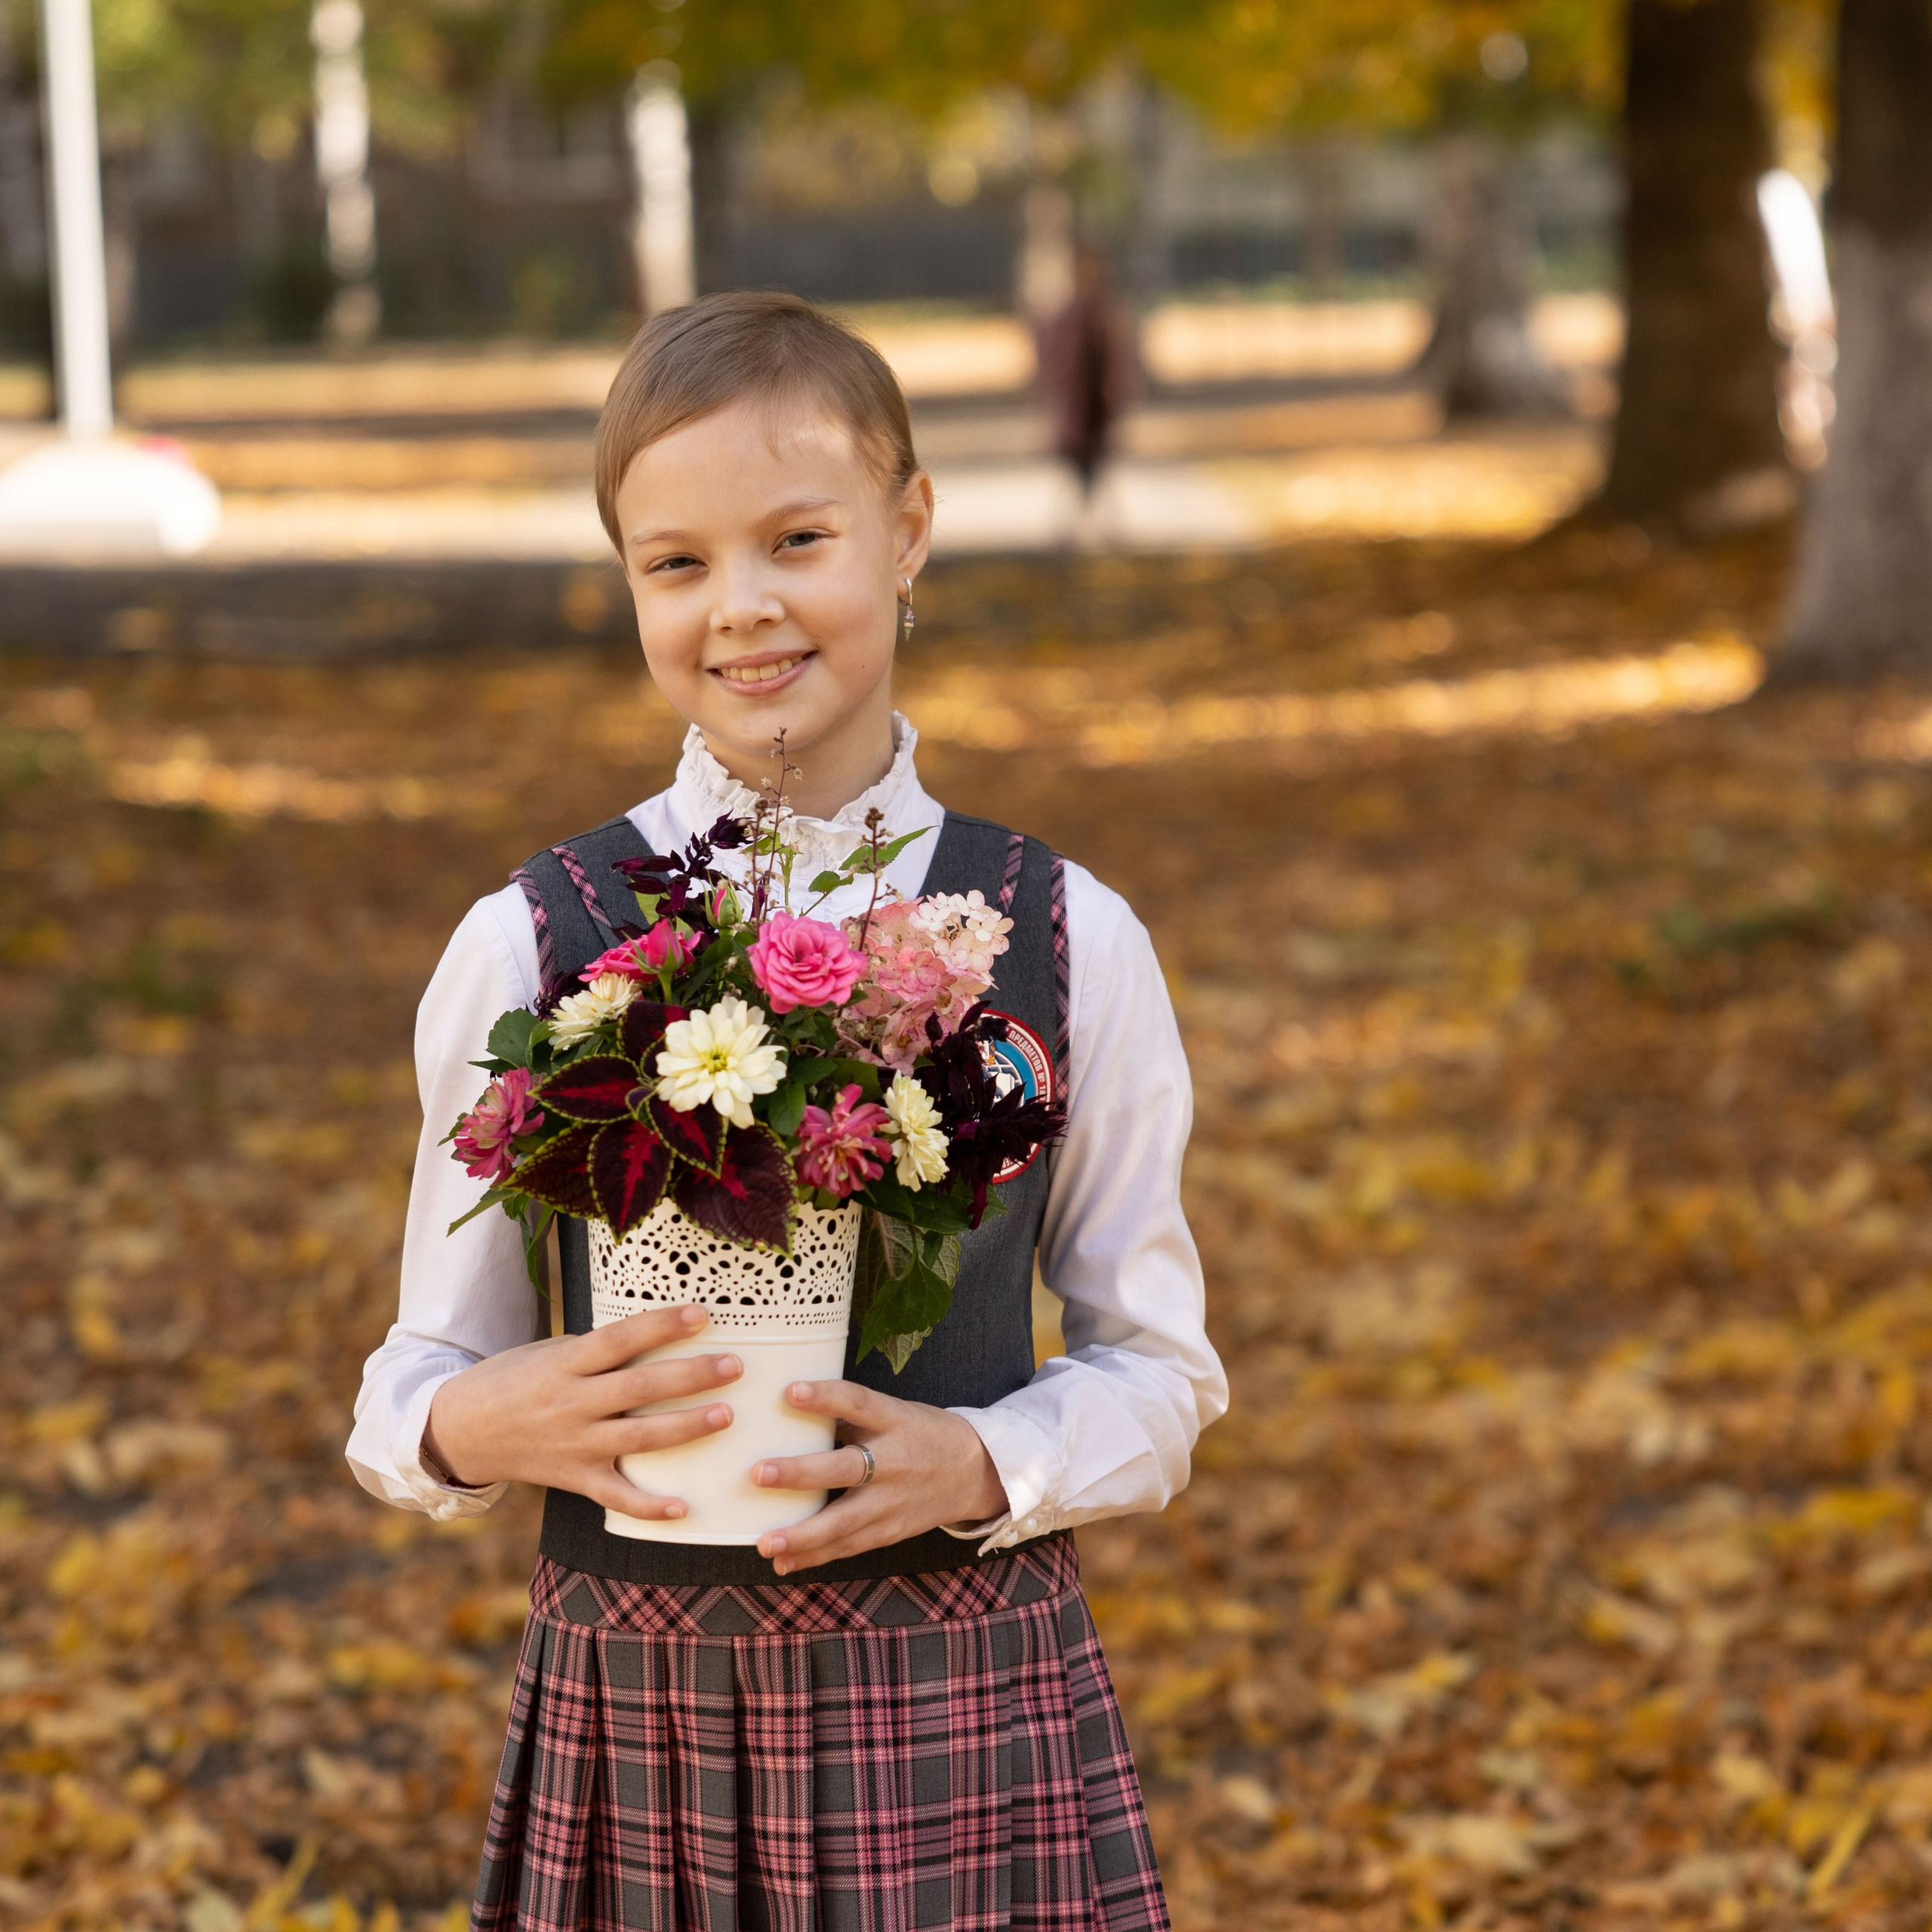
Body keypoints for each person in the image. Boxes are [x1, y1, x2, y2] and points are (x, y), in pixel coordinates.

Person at [347, 290, 1225, 1932]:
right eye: (674, 564)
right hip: (646, 1715)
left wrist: (981, 1456)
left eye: (796, 538)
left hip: (960, 1698)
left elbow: (1162, 1369)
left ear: (906, 533)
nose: (739, 608)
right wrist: (474, 1426)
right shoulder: (530, 942)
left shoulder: (1061, 934)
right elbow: (423, 1371)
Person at [1035, 246, 1141, 517]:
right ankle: (1086, 518)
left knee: (1094, 465)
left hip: (1097, 405)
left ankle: (1087, 518)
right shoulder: (1068, 317)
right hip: (1078, 407)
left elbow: (1120, 359)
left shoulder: (1107, 315)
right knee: (1082, 466)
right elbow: (1053, 363)